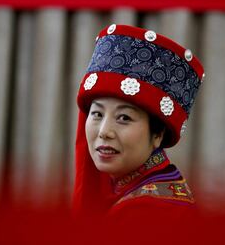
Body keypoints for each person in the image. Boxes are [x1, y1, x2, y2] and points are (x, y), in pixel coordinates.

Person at [71, 24, 205, 219]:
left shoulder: (144, 213)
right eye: (97, 114)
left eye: (124, 118)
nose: (104, 131)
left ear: (158, 134)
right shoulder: (156, 186)